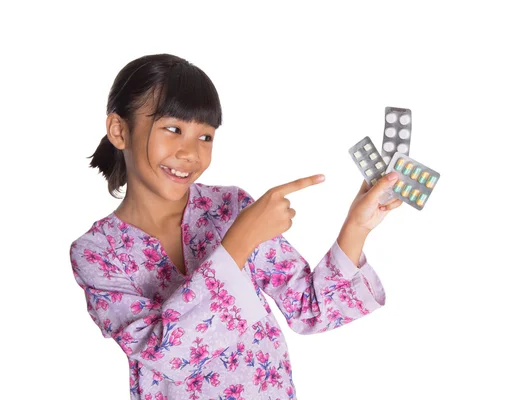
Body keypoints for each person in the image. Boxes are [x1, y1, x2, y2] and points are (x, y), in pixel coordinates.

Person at [69, 53, 402, 400]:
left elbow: (310, 309)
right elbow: (164, 354)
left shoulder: (229, 207)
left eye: (206, 136)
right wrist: (239, 242)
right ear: (119, 130)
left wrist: (357, 225)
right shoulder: (96, 252)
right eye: (173, 129)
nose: (190, 153)